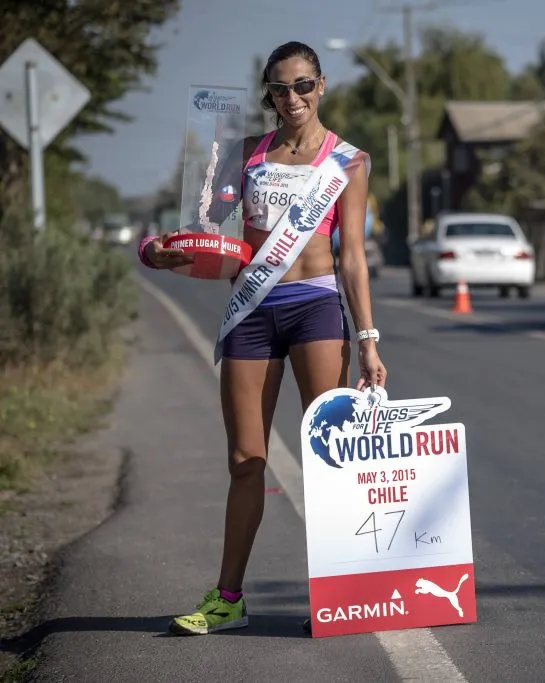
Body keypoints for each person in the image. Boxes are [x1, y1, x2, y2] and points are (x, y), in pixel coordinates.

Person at [137, 40, 387, 636]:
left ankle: (340, 598)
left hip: (317, 309)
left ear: (321, 85)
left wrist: (369, 340)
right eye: (280, 88)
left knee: (328, 460)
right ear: (267, 95)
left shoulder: (349, 162)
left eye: (303, 85)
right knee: (246, 461)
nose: (292, 97)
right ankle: (228, 599)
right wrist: (166, 255)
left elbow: (352, 257)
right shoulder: (242, 156)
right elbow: (210, 241)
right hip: (253, 311)